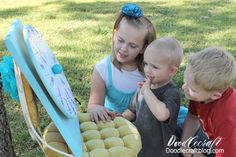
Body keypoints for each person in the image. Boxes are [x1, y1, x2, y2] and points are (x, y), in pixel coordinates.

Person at [87, 3, 156, 123]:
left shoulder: (149, 72)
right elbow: (93, 105)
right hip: (113, 122)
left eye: (132, 45)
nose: (124, 48)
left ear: (143, 48)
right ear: (114, 35)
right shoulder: (102, 69)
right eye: (120, 40)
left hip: (143, 123)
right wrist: (96, 109)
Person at [122, 37, 183, 157]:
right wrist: (120, 118)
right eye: (146, 64)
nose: (147, 70)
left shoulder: (171, 92)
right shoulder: (145, 87)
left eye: (155, 67)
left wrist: (147, 92)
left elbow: (162, 115)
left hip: (161, 151)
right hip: (141, 145)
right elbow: (132, 111)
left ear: (171, 71)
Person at [181, 47, 236, 157]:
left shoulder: (226, 119)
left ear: (215, 95)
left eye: (193, 89)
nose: (183, 87)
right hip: (215, 140)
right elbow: (193, 117)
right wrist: (184, 143)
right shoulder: (200, 94)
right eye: (185, 81)